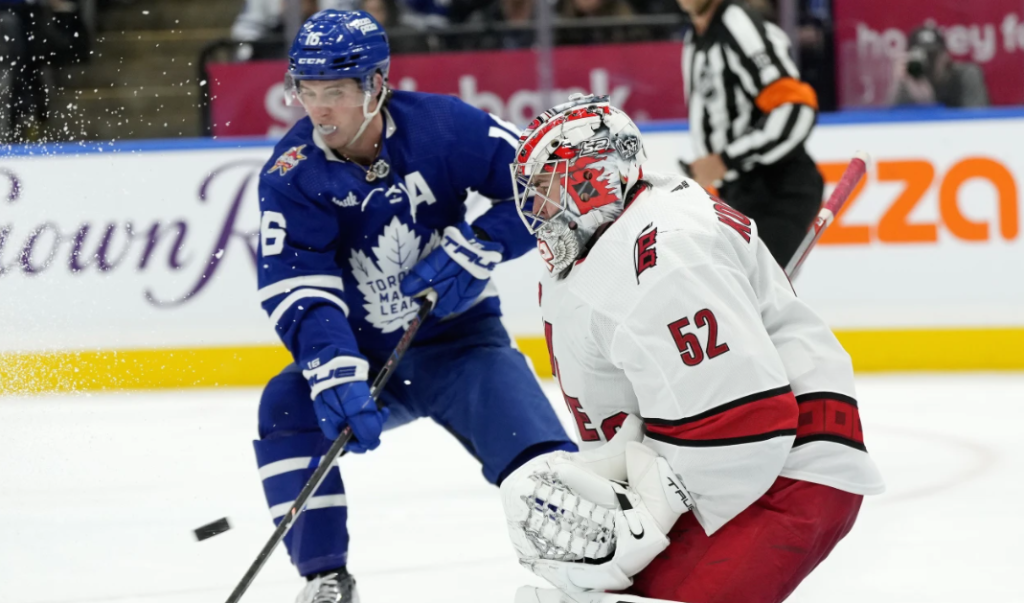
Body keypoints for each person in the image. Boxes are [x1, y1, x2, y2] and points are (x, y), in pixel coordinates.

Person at [500, 94, 884, 603]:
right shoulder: (616, 236)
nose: (535, 208)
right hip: (713, 472)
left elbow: (748, 422)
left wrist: (645, 513)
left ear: (597, 175)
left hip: (785, 472)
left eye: (548, 188)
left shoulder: (666, 254)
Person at [253, 10, 576, 603]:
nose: (319, 110)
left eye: (335, 92)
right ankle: (324, 576)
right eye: (306, 91)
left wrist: (486, 242)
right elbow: (294, 282)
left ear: (375, 85)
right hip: (370, 365)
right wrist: (332, 366)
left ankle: (591, 568)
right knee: (284, 404)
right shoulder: (292, 175)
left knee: (553, 476)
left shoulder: (443, 127)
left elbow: (546, 181)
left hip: (463, 349)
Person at [678, 0, 824, 267]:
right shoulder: (694, 38)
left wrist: (726, 160)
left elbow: (795, 108)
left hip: (777, 190)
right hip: (737, 197)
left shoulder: (738, 26)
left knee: (752, 300)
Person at [892, 24, 990, 109]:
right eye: (921, 56)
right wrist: (897, 85)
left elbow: (977, 121)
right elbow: (887, 124)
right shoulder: (908, 81)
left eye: (933, 55)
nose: (928, 62)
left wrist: (929, 105)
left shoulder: (964, 76)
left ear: (946, 56)